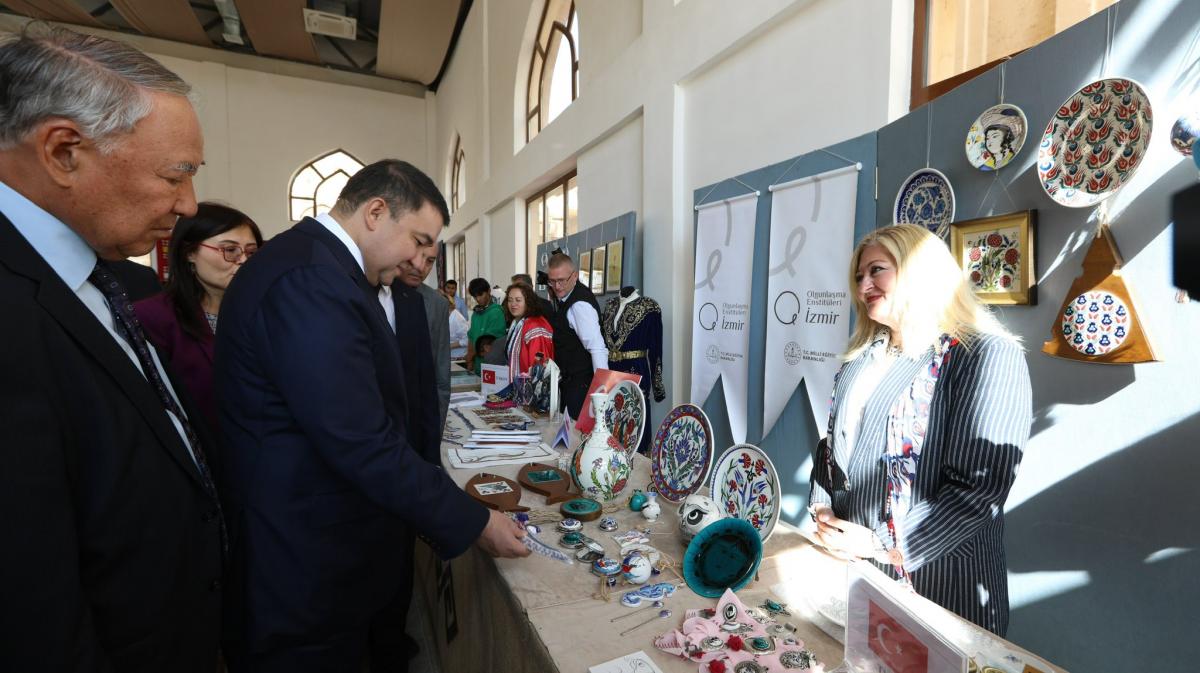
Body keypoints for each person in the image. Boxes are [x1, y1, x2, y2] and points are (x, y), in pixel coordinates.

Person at [215, 159, 529, 672]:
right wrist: (472, 520)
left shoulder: (325, 269)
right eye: (418, 241)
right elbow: (359, 437)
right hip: (300, 557)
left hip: (323, 539)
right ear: (376, 212)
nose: (419, 260)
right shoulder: (310, 279)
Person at [0, 27, 223, 673]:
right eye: (175, 175)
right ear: (64, 151)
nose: (188, 204)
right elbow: (28, 602)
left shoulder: (107, 277)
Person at [808, 224, 1031, 636]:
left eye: (876, 270)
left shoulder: (985, 354)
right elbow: (833, 446)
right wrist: (823, 509)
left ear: (919, 271)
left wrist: (880, 543)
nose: (864, 285)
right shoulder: (862, 359)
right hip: (857, 575)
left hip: (942, 587)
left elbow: (977, 492)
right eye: (859, 276)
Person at [134, 202, 262, 431]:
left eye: (251, 252)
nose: (243, 260)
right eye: (230, 250)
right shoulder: (153, 317)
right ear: (190, 252)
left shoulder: (264, 312)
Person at [545, 252, 608, 417]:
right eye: (552, 281)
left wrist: (602, 392)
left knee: (577, 433)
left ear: (575, 276)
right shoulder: (568, 297)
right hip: (572, 384)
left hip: (581, 388)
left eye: (561, 280)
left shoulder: (579, 305)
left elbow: (597, 348)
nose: (557, 286)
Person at [501, 282, 555, 379]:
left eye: (518, 300)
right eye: (510, 300)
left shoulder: (535, 325)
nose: (513, 304)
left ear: (528, 302)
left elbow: (539, 366)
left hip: (530, 386)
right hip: (518, 384)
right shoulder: (517, 322)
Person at [465, 276, 505, 373]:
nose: (478, 299)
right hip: (477, 366)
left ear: (489, 291)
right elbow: (471, 336)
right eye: (475, 296)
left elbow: (488, 342)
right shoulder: (476, 313)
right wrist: (470, 359)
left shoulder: (496, 312)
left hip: (491, 367)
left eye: (480, 294)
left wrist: (471, 356)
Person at [448, 295, 469, 359]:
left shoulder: (457, 318)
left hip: (459, 356)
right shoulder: (447, 315)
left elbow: (467, 340)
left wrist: (449, 346)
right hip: (450, 355)